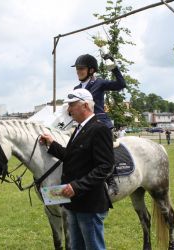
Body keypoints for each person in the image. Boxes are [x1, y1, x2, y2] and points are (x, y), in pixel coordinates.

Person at [40, 88, 114, 250]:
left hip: (89, 204)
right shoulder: (80, 128)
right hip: (73, 203)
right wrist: (51, 144)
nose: (69, 109)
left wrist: (76, 186)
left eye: (72, 105)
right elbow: (72, 156)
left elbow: (105, 167)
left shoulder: (99, 129)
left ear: (85, 106)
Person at [72, 54, 126, 129]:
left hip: (100, 124)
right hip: (84, 125)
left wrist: (113, 67)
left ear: (91, 70)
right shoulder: (76, 89)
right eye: (77, 69)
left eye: (81, 68)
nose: (78, 71)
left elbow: (121, 84)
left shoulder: (99, 83)